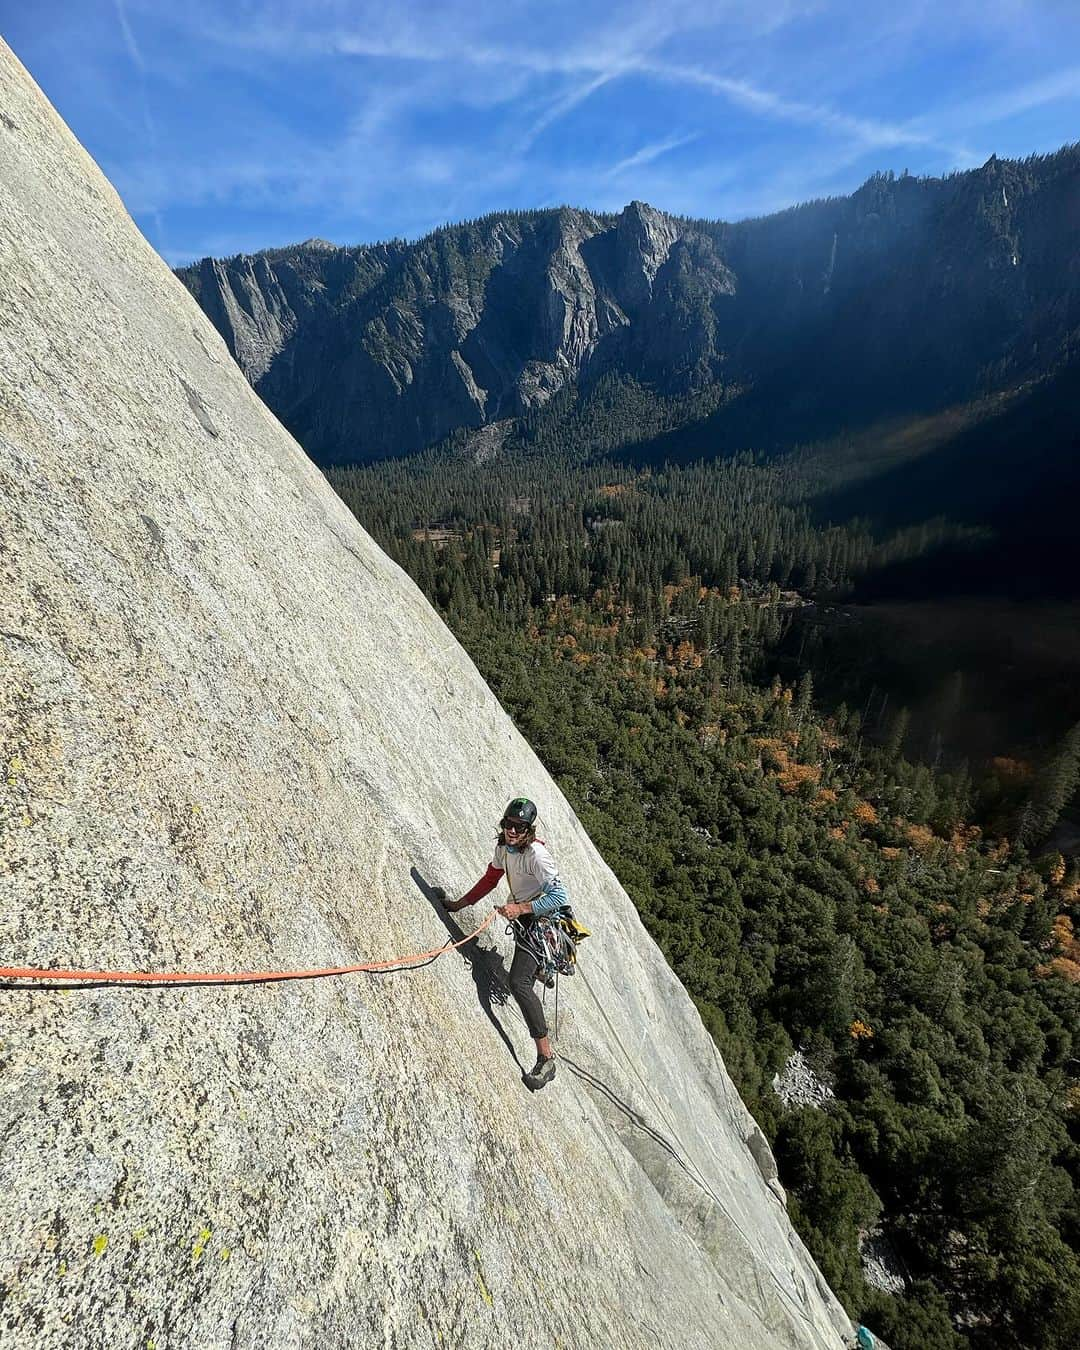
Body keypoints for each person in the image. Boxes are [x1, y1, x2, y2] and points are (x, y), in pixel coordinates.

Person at [442, 797, 568, 1091]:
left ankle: (546, 1058)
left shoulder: (537, 855)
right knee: (521, 978)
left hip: (544, 923)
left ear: (528, 829)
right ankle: (539, 970)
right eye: (508, 824)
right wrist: (459, 905)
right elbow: (490, 879)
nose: (512, 831)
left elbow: (560, 898)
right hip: (526, 920)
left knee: (518, 983)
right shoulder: (504, 848)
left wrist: (521, 910)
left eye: (518, 827)